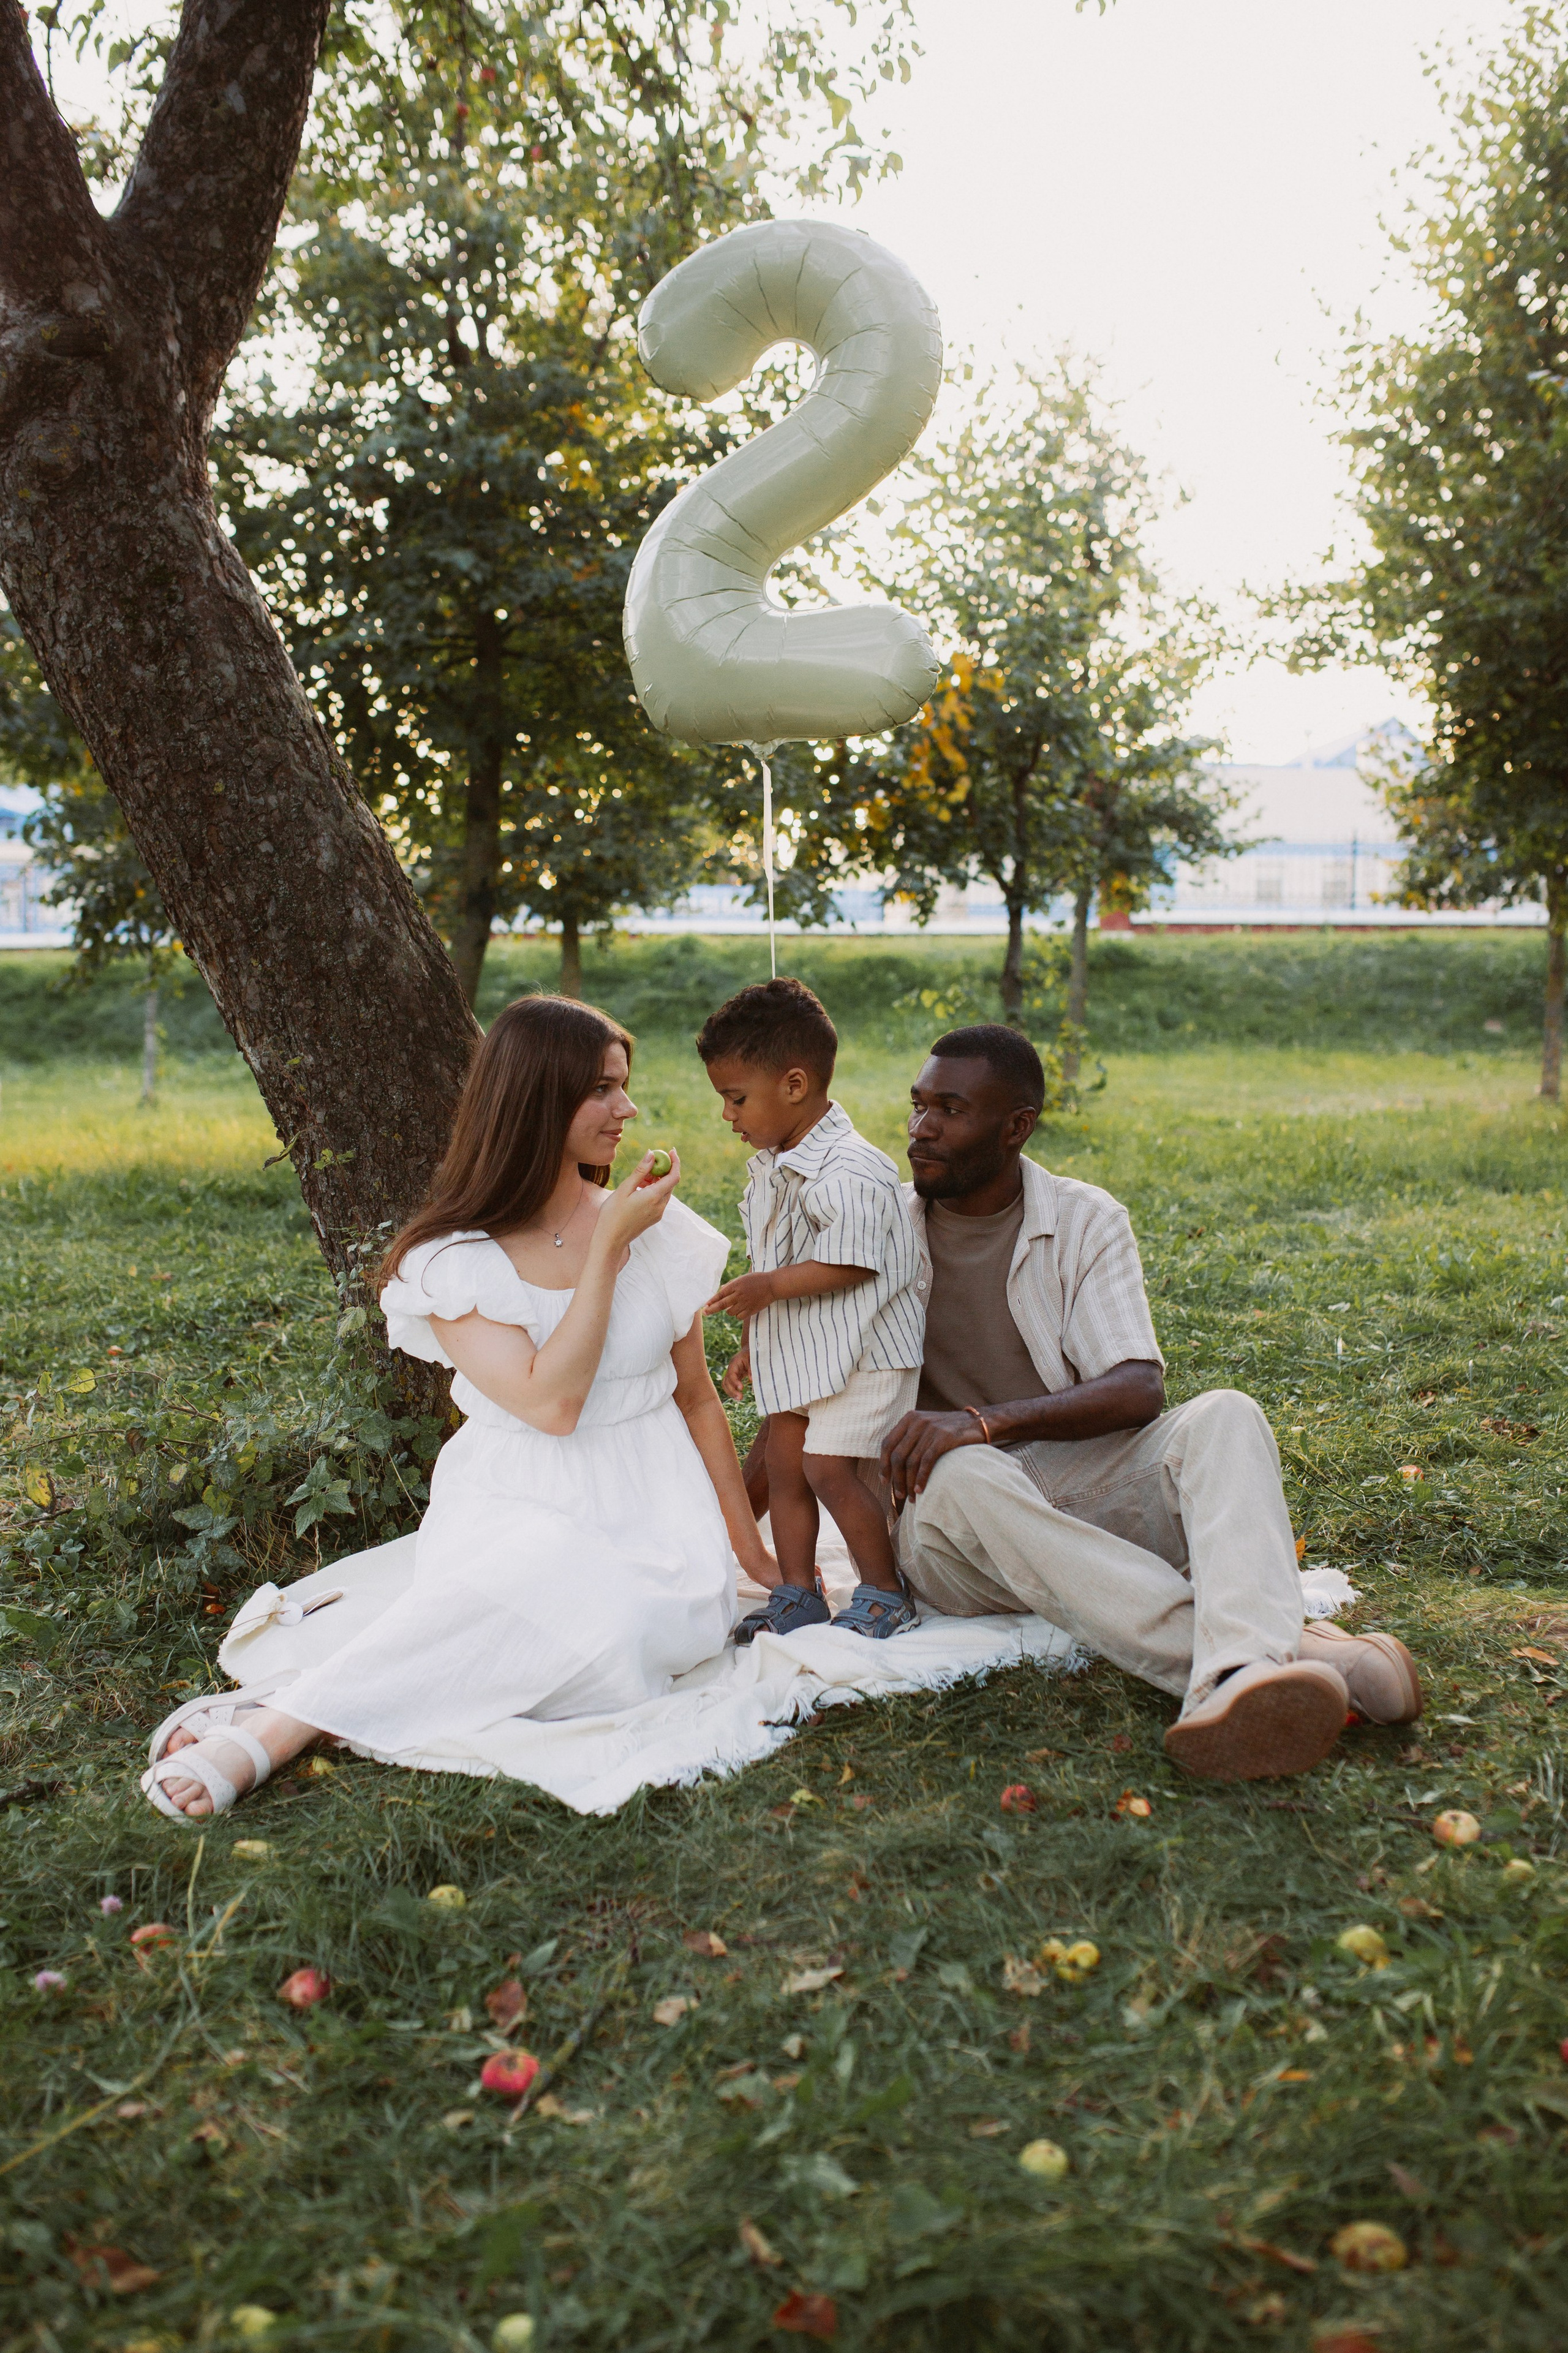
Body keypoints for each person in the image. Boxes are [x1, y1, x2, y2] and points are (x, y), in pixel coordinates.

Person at [140, 995, 777, 1821]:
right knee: (543, 1581)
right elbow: (553, 1403)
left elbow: (696, 1399)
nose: (626, 1110)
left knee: (613, 1633)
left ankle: (295, 1706)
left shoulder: (653, 1226)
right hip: (519, 1495)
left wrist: (750, 1555)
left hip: (654, 1508)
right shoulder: (454, 1262)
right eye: (601, 1091)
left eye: (624, 1087)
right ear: (535, 1099)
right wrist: (609, 1250)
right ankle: (279, 1730)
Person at [874, 1022, 1423, 1781]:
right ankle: (1279, 1657)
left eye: (950, 1110)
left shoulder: (1084, 1219)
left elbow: (1137, 1388)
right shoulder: (878, 1233)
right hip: (951, 1526)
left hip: (1074, 1485)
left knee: (1226, 1412)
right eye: (917, 1105)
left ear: (1016, 1128)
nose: (920, 1130)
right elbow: (802, 1398)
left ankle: (1238, 1678)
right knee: (968, 1470)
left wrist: (984, 1421)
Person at [698, 977, 925, 1641]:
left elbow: (852, 1261)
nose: (727, 1115)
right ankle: (796, 1590)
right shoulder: (777, 1163)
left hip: (863, 1355)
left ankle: (884, 1590)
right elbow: (782, 1256)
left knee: (829, 1469)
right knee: (783, 1465)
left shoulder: (851, 1168)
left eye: (736, 1098)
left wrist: (766, 1288)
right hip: (803, 1350)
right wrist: (753, 1343)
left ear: (794, 1086)